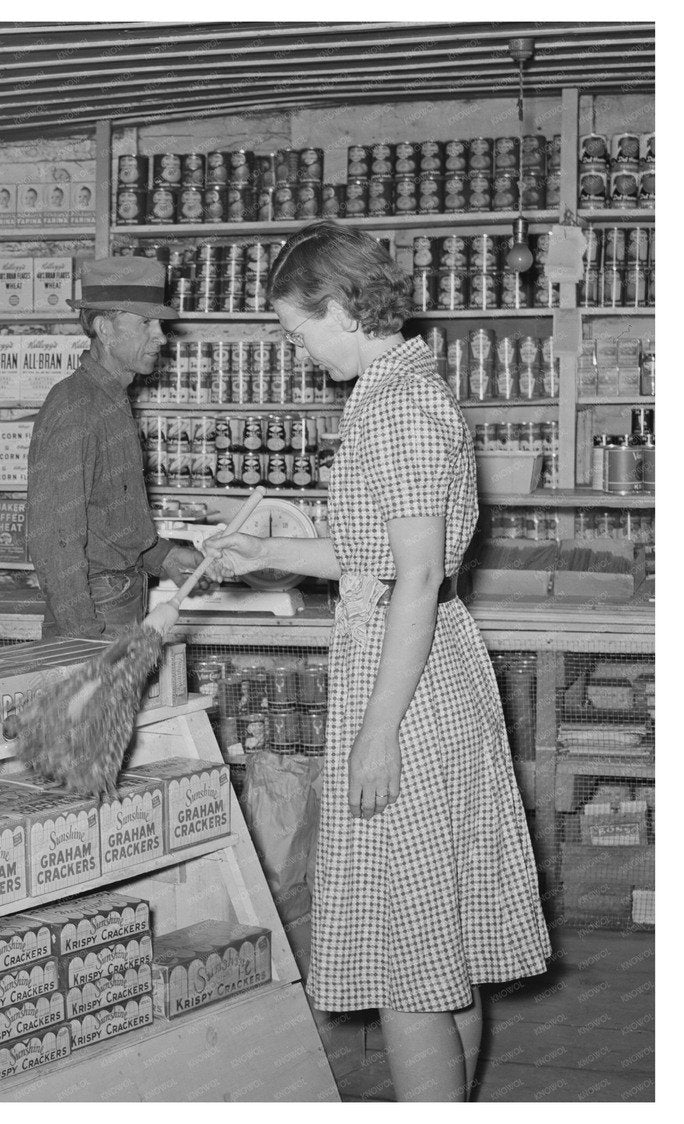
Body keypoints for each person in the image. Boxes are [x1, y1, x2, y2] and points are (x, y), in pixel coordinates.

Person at [200, 221, 550, 1101]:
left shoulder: (396, 408)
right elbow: (384, 555)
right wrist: (276, 557)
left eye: (298, 328)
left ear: (347, 307)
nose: (298, 347)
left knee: (406, 954)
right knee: (438, 938)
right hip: (421, 671)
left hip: (412, 690)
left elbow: (421, 577)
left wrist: (377, 731)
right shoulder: (396, 392)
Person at [26, 256, 202, 639]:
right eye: (145, 323)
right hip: (95, 613)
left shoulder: (111, 401)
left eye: (160, 324)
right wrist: (83, 642)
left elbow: (110, 520)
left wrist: (165, 556)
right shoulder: (76, 409)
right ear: (105, 329)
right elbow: (54, 539)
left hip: (121, 599)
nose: (161, 336)